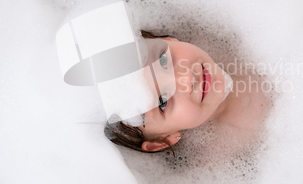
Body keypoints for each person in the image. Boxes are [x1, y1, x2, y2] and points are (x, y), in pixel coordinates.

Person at [104, 30, 270, 153]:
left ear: (166, 39)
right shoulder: (231, 154)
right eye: (163, 102)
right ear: (163, 140)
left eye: (163, 60)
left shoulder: (223, 28)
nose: (187, 79)